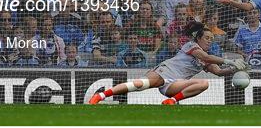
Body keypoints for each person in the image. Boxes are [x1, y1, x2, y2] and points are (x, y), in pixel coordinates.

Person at [88, 22, 246, 105]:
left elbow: (218, 71)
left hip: (175, 84)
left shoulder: (205, 57)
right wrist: (230, 60)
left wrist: (235, 69)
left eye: (212, 40)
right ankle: (100, 95)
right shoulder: (192, 46)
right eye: (207, 38)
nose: (209, 41)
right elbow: (207, 57)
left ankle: (171, 101)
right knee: (139, 85)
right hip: (165, 71)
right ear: (198, 38)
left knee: (204, 83)